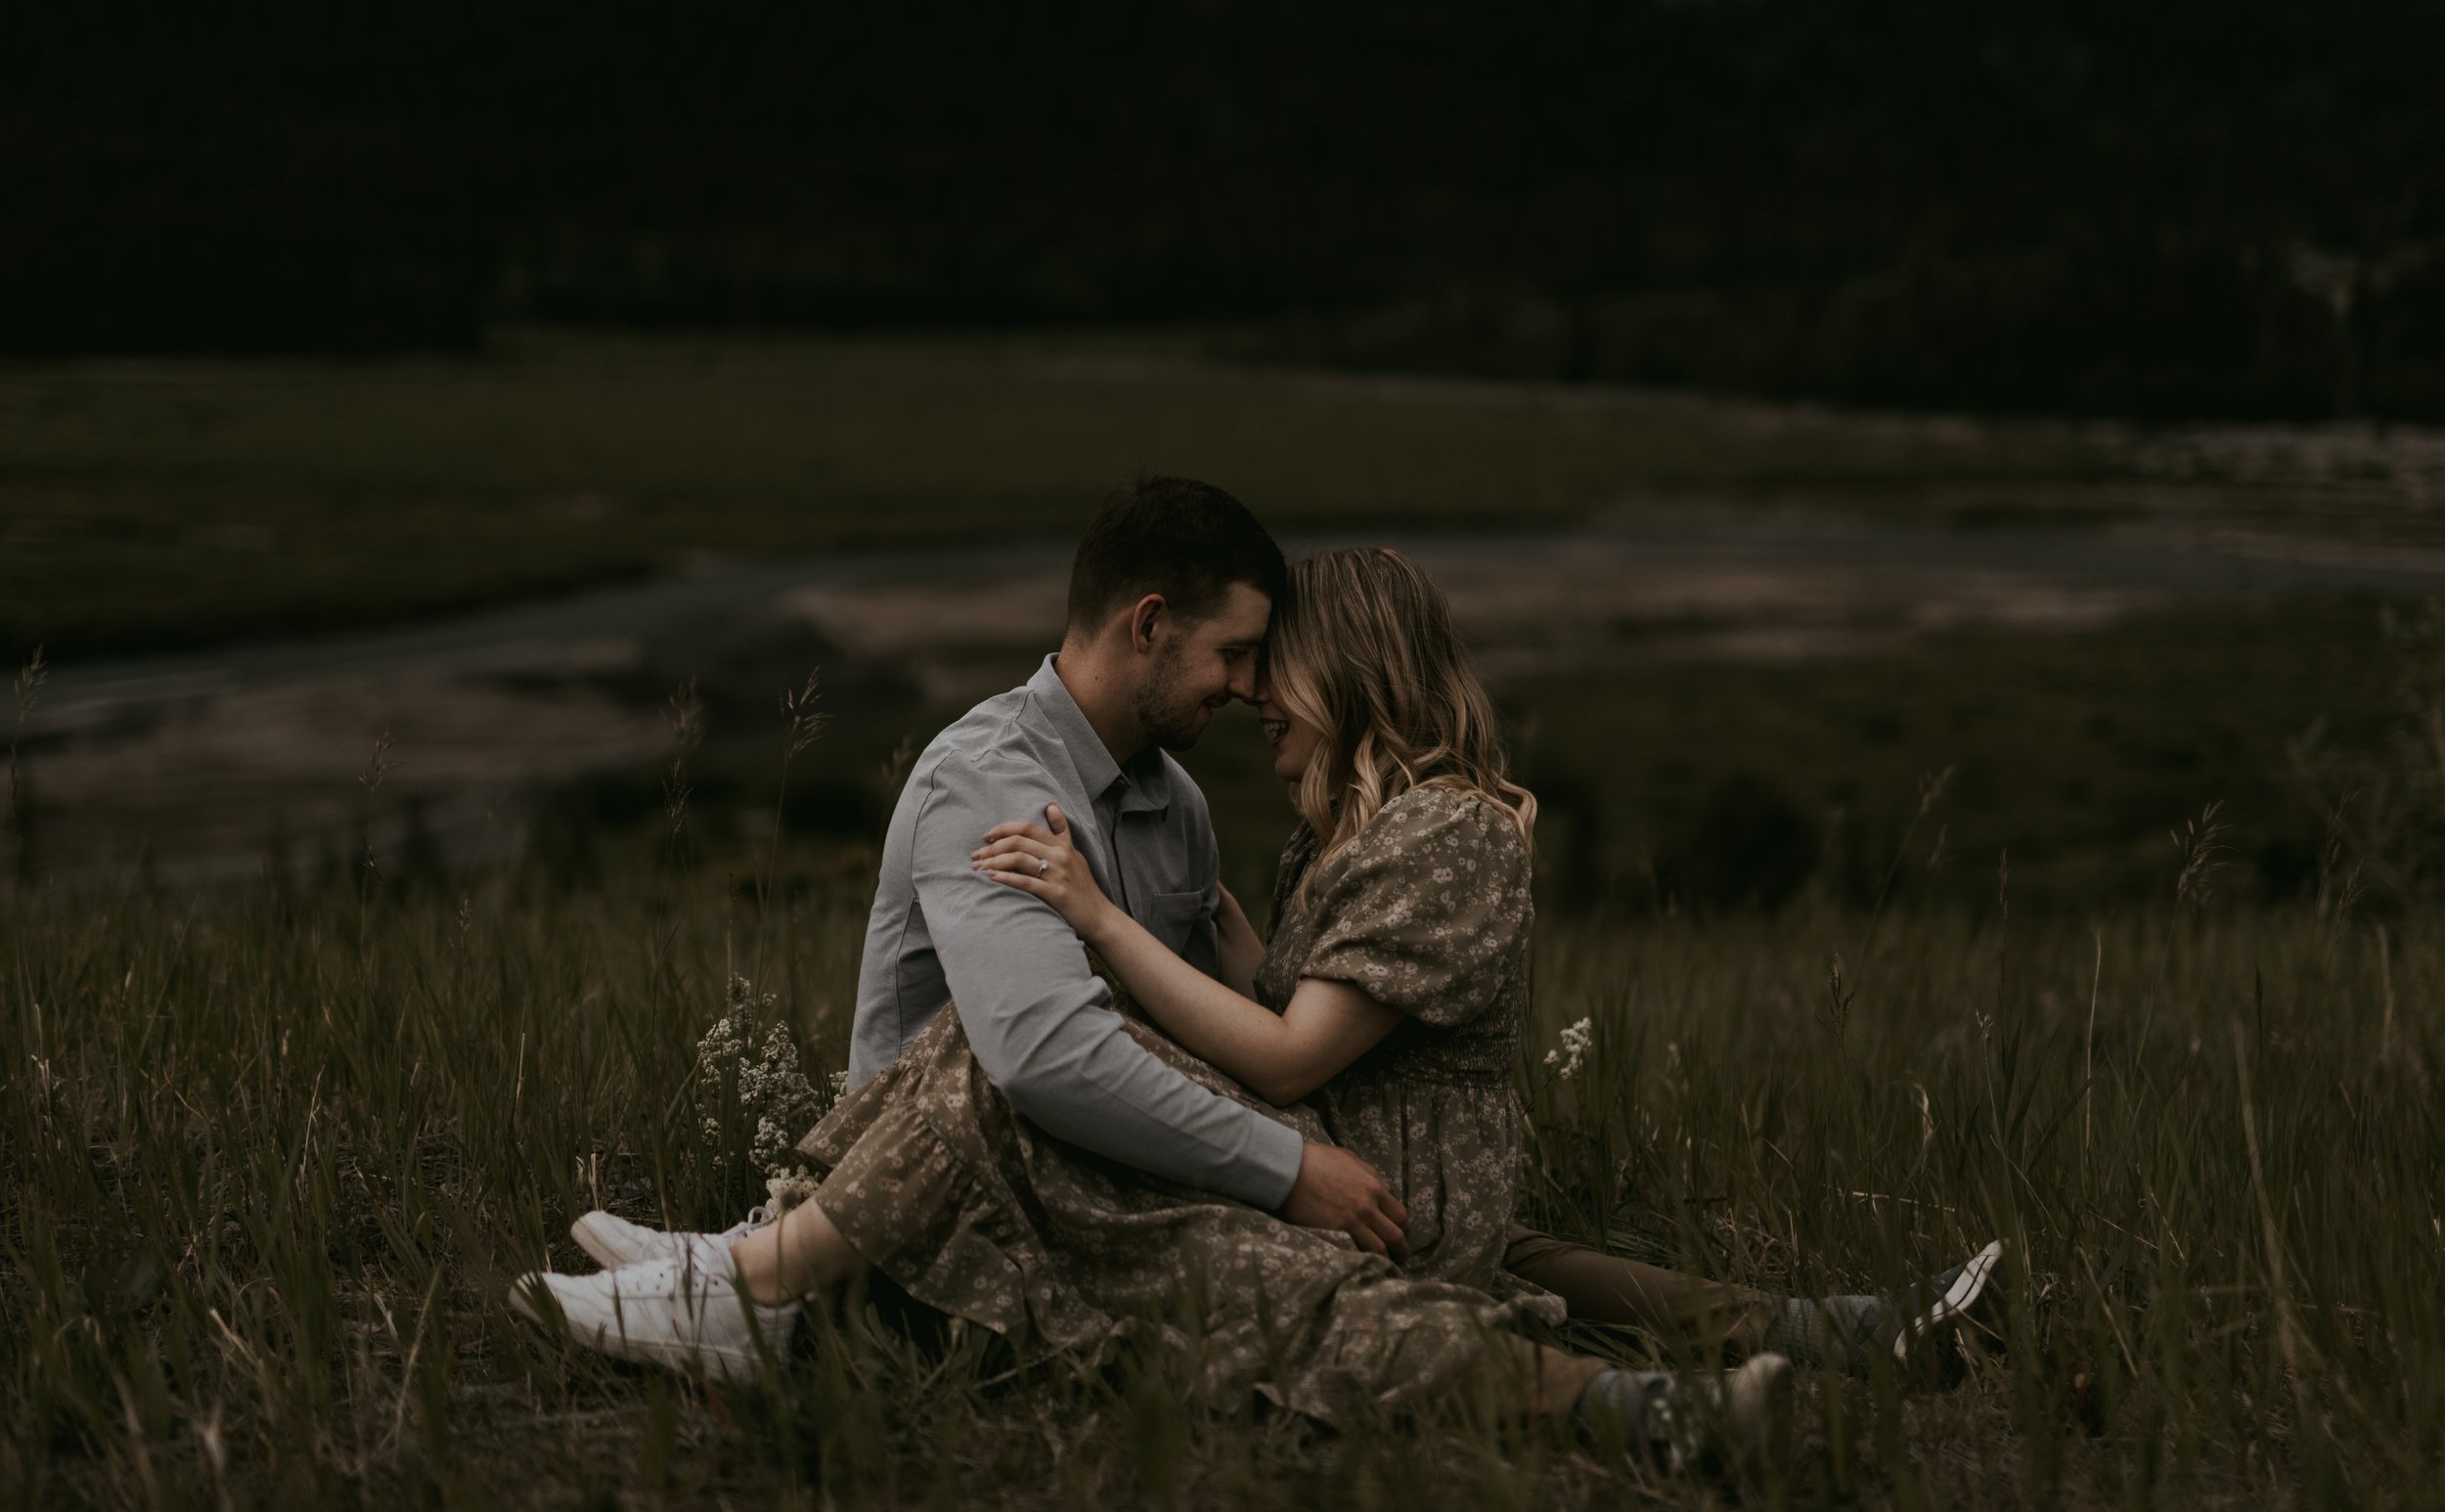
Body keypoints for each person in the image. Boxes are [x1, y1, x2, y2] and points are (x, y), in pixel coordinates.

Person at [514, 483, 1993, 1463]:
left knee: (1472, 1256)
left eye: (1271, 667)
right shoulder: (991, 780)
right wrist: (1289, 1169)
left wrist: (1271, 1127)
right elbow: (1042, 1060)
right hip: (970, 1202)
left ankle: (1797, 1352)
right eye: (1234, 656)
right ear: (1148, 626)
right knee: (1243, 1211)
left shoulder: (1181, 805)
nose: (1249, 689)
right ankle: (753, 1275)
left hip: (1134, 1168)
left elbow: (1242, 1034)